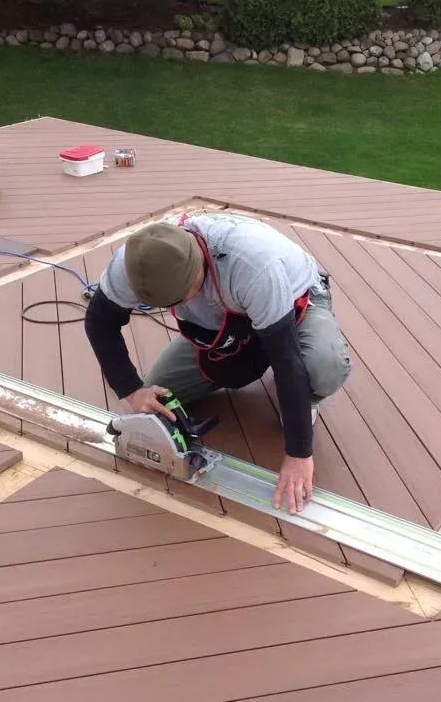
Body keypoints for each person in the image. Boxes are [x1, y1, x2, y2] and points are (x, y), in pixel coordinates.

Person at [83, 210, 352, 514]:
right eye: (173, 302)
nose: (183, 304)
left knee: (322, 368)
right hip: (221, 323)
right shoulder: (136, 264)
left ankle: (306, 398)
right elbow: (98, 322)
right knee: (159, 396)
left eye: (187, 292)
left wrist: (299, 453)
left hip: (294, 304)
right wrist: (131, 390)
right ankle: (242, 353)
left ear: (198, 261)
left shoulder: (252, 266)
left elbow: (286, 359)